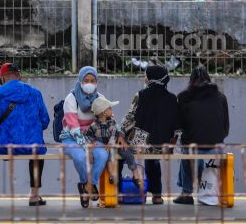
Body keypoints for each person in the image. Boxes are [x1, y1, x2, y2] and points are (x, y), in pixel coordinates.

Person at [0, 63, 50, 207]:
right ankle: (34, 195)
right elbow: (45, 121)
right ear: (19, 76)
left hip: (3, 146)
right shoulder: (35, 93)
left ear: (2, 78)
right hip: (30, 145)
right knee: (37, 148)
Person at [120, 65, 180, 205]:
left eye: (146, 75)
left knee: (119, 154)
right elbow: (177, 126)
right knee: (153, 160)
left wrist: (121, 134)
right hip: (162, 144)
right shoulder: (172, 98)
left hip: (140, 142)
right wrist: (171, 144)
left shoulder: (140, 94)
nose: (144, 78)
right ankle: (157, 195)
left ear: (152, 78)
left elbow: (130, 117)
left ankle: (116, 190)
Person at [174, 66, 230, 205]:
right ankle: (213, 191)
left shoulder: (183, 97)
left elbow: (179, 125)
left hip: (192, 146)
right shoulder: (221, 97)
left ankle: (186, 193)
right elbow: (226, 126)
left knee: (185, 147)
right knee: (188, 146)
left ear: (191, 81)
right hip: (217, 145)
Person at [60, 66, 109, 208]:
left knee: (102, 156)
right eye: (86, 80)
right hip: (71, 137)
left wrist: (108, 139)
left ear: (97, 82)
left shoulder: (100, 98)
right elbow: (73, 127)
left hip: (93, 138)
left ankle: (89, 185)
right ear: (80, 81)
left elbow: (109, 119)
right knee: (80, 157)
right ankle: (84, 182)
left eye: (93, 80)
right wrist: (85, 145)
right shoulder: (71, 98)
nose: (89, 83)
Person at [86, 97, 143, 191]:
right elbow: (88, 135)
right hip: (105, 147)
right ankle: (112, 175)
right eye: (110, 108)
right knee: (108, 155)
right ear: (104, 112)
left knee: (128, 153)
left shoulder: (113, 122)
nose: (112, 110)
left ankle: (135, 175)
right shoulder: (93, 125)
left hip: (115, 144)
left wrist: (121, 137)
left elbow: (120, 130)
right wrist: (93, 142)